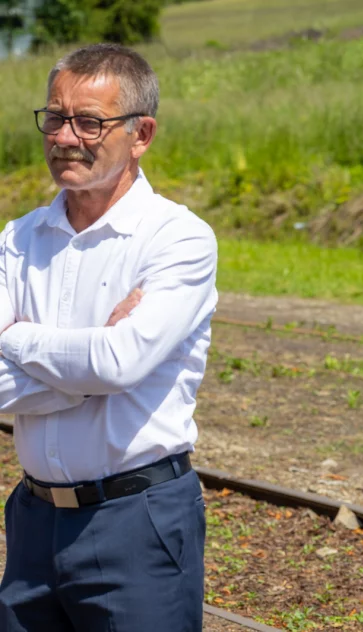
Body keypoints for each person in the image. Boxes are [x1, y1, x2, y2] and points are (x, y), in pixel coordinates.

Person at [0, 44, 217, 631]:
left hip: (135, 519)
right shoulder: (18, 239)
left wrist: (14, 339)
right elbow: (108, 367)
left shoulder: (178, 239)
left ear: (140, 133)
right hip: (31, 520)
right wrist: (92, 368)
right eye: (54, 117)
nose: (65, 136)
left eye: (89, 121)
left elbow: (119, 364)